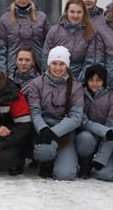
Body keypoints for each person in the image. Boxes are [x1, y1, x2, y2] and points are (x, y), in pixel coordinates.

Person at [25, 46, 83, 180]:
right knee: (44, 151)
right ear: (49, 64)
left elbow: (76, 117)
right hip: (44, 130)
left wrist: (54, 132)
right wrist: (43, 129)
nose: (58, 68)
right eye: (54, 64)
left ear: (67, 66)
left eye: (62, 64)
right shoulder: (36, 84)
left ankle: (63, 159)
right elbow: (35, 111)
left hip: (65, 132)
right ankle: (46, 162)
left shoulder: (75, 87)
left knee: (65, 175)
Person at [75, 64, 113, 181]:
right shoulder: (80, 95)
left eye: (98, 80)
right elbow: (81, 120)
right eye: (91, 80)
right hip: (88, 135)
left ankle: (104, 162)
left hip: (107, 140)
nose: (94, 84)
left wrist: (101, 159)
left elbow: (112, 128)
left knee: (106, 175)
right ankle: (85, 165)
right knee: (85, 137)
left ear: (104, 81)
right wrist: (103, 131)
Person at [42, 0, 97, 81]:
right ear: (66, 12)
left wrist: (80, 81)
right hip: (55, 77)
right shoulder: (55, 31)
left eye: (79, 12)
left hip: (78, 79)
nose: (75, 15)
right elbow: (46, 56)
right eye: (72, 12)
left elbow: (90, 60)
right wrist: (51, 78)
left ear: (84, 14)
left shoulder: (90, 33)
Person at [0, 0, 49, 75]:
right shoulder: (5, 19)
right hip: (13, 68)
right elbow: (2, 48)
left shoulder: (41, 17)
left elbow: (47, 45)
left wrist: (45, 67)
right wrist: (3, 72)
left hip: (37, 67)